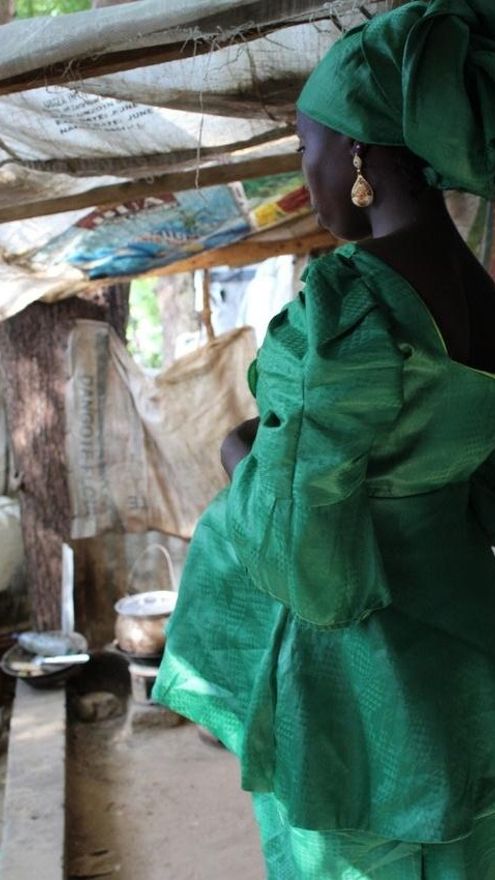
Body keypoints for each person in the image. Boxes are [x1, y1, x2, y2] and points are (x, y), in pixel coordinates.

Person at [153, 1, 495, 876]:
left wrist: (239, 453)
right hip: (461, 630)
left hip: (363, 663)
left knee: (355, 856)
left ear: (355, 153)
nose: (305, 178)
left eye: (305, 147)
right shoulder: (481, 290)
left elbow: (308, 542)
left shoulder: (354, 295)